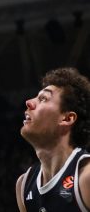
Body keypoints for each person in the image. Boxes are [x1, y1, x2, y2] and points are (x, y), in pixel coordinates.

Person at [16, 67, 90, 212]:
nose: (29, 102)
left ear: (67, 118)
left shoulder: (85, 177)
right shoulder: (23, 186)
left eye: (43, 98)